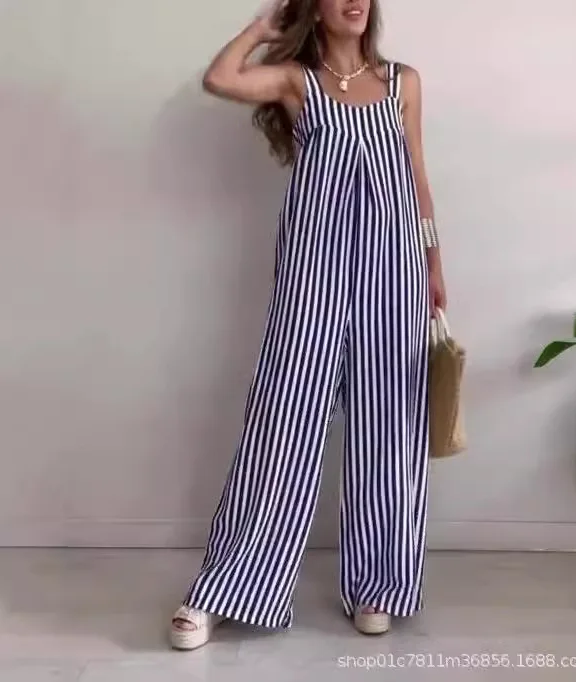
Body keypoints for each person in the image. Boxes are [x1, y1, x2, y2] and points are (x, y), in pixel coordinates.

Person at [170, 0, 447, 649]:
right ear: (315, 9)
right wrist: (262, 28)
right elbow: (220, 78)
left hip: (396, 270)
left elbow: (417, 175)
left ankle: (378, 585)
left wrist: (434, 262)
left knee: (390, 426)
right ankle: (225, 588)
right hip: (313, 272)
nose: (356, 0)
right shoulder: (299, 82)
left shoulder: (403, 82)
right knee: (284, 423)